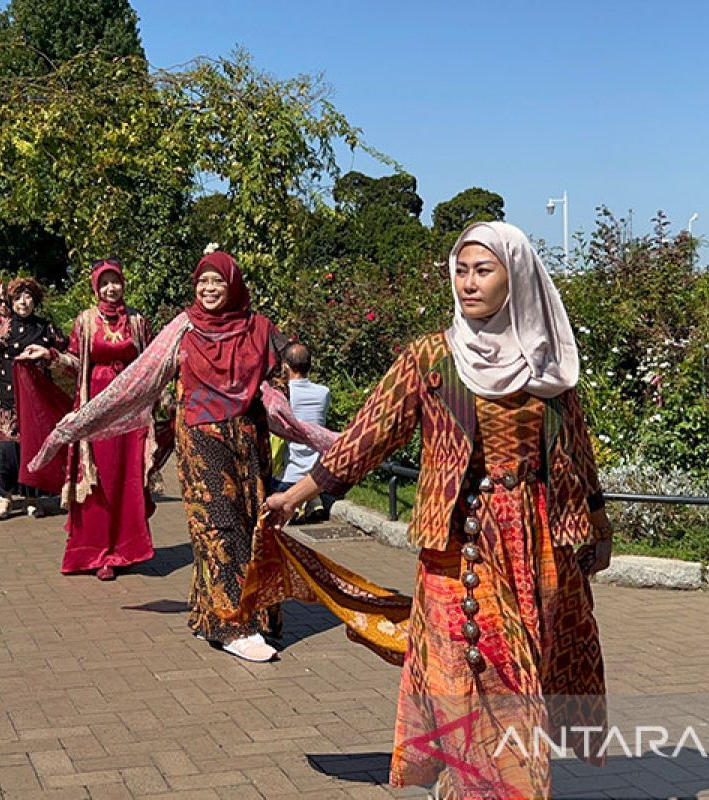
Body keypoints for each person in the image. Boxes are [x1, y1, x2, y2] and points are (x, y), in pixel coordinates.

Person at [262, 222, 612, 798]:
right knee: (473, 665)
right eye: (461, 270)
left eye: (483, 270)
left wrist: (595, 522)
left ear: (516, 275)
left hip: (537, 542)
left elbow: (575, 445)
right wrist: (299, 492)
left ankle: (474, 780)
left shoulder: (548, 361)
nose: (468, 283)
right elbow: (369, 434)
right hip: (460, 542)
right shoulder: (432, 356)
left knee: (525, 670)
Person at [29, 251, 334, 662]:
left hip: (248, 442)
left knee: (252, 527)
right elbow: (137, 380)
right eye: (202, 282)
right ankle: (233, 626)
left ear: (233, 285)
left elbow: (276, 385)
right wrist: (73, 427)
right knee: (218, 528)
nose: (208, 290)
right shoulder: (182, 328)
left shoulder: (260, 329)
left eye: (217, 282)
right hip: (201, 441)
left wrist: (301, 424)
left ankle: (214, 615)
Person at [40, 259, 156, 581]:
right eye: (104, 283)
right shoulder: (85, 321)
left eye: (114, 281)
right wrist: (50, 356)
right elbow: (76, 362)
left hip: (130, 411)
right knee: (99, 479)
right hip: (96, 409)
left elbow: (150, 363)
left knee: (127, 476)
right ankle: (97, 552)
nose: (110, 288)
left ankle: (127, 549)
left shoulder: (138, 322)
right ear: (95, 287)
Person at [0, 277, 68, 520]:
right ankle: (4, 498)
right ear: (10, 301)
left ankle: (32, 497)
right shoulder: (3, 330)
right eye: (17, 298)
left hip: (38, 399)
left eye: (27, 297)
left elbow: (66, 351)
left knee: (34, 447)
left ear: (35, 301)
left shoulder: (46, 329)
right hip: (7, 397)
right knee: (8, 449)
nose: (22, 302)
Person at [272, 342, 331, 523]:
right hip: (316, 474)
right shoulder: (324, 392)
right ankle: (312, 500)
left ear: (286, 367)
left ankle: (297, 506)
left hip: (289, 475)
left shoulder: (283, 394)